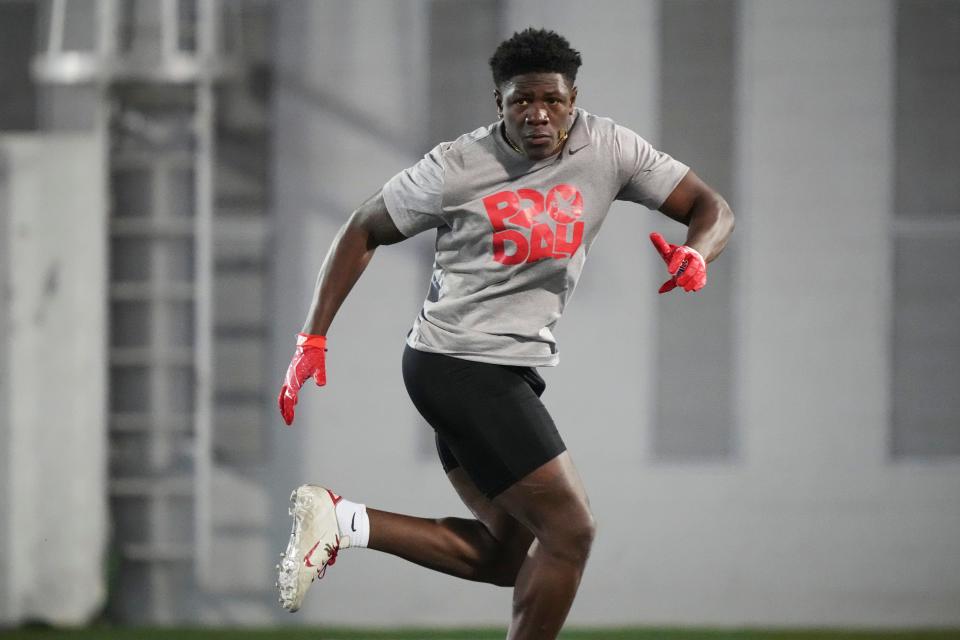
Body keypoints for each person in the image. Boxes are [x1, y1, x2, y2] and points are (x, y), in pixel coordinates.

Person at [275, 27, 734, 639]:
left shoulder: (610, 148)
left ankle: (342, 523)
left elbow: (711, 208)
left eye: (552, 100)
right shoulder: (458, 165)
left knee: (501, 557)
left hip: (508, 370)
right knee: (571, 531)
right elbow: (362, 228)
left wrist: (697, 254)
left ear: (574, 101)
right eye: (521, 102)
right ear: (499, 104)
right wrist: (312, 338)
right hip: (456, 366)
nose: (537, 115)